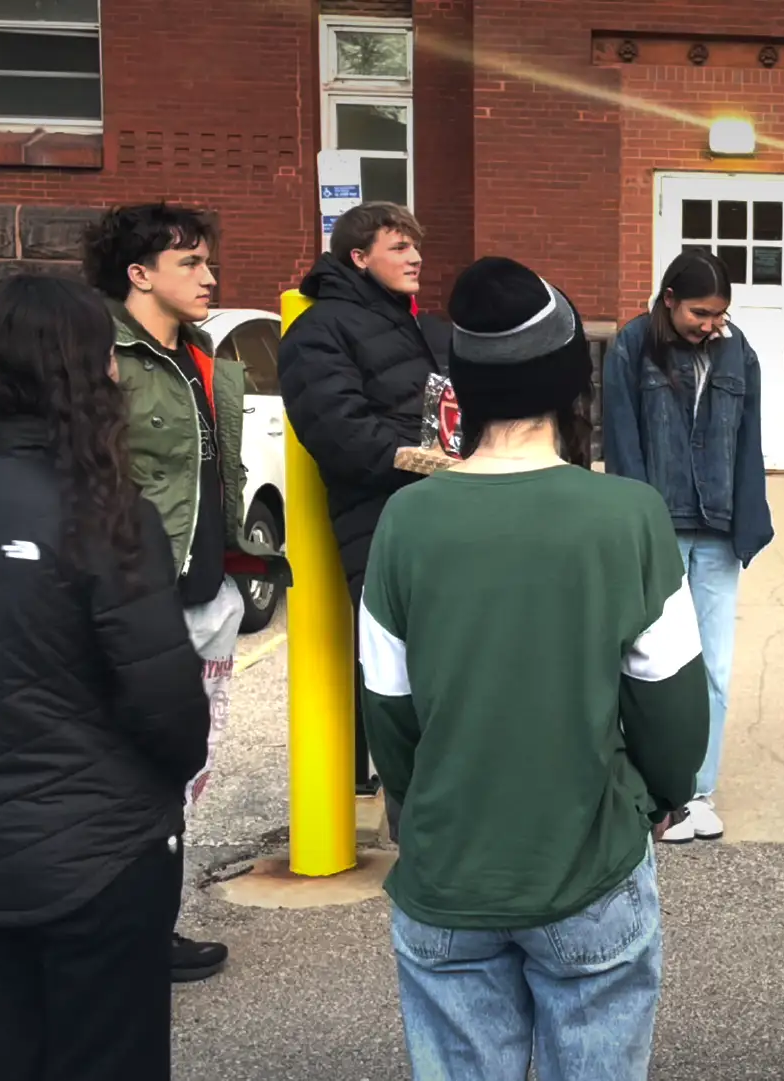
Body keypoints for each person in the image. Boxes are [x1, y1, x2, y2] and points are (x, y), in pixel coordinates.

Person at [360, 257, 709, 1081]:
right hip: (587, 861)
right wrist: (654, 798)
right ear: (567, 384)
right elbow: (671, 708)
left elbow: (388, 709)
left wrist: (426, 806)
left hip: (449, 868)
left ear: (466, 385)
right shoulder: (629, 516)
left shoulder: (405, 521)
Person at [0, 275, 211, 1079]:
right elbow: (170, 708)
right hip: (105, 853)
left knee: (0, 1052)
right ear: (84, 370)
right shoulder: (110, 514)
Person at [83, 202, 282, 984]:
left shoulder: (200, 354)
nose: (210, 276)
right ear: (139, 274)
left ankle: (148, 925)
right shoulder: (102, 357)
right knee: (125, 769)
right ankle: (112, 930)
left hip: (205, 593)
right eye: (190, 263)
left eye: (208, 261)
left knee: (182, 770)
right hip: (138, 597)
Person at [601, 249, 775, 844]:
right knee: (652, 663)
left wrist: (751, 520)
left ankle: (699, 790)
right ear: (669, 299)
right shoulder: (631, 347)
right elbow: (622, 443)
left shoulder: (737, 350)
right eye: (700, 312)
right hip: (659, 526)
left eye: (720, 313)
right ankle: (659, 793)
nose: (711, 324)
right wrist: (632, 523)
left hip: (721, 526)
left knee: (714, 665)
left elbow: (750, 440)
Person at [279, 202, 447, 803]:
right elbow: (341, 434)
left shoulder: (410, 324)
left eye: (416, 245)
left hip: (437, 516)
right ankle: (419, 828)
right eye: (399, 247)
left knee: (448, 677)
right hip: (380, 526)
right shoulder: (319, 330)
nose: (416, 257)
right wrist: (429, 463)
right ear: (358, 257)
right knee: (404, 682)